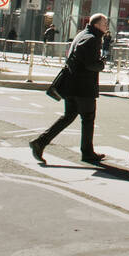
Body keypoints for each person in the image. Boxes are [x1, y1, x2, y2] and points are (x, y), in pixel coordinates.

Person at [30, 13, 109, 166]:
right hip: (83, 87)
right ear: (97, 25)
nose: (106, 26)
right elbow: (89, 63)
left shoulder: (83, 34)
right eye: (104, 23)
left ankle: (40, 142)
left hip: (72, 85)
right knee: (88, 118)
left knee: (69, 116)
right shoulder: (92, 39)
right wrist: (101, 64)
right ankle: (87, 152)